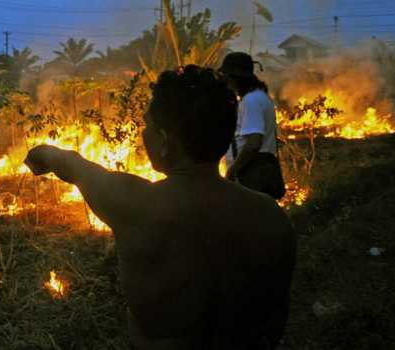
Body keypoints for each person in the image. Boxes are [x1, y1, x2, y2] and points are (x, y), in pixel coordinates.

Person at [25, 65, 296, 349]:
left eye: (147, 126)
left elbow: (73, 166)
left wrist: (44, 154)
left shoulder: (136, 204)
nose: (144, 134)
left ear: (164, 141)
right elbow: (275, 324)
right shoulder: (272, 218)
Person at [220, 52, 285, 200]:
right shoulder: (260, 97)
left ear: (235, 78)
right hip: (257, 173)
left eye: (227, 77)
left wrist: (232, 171)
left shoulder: (251, 101)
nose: (226, 82)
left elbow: (254, 142)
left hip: (251, 175)